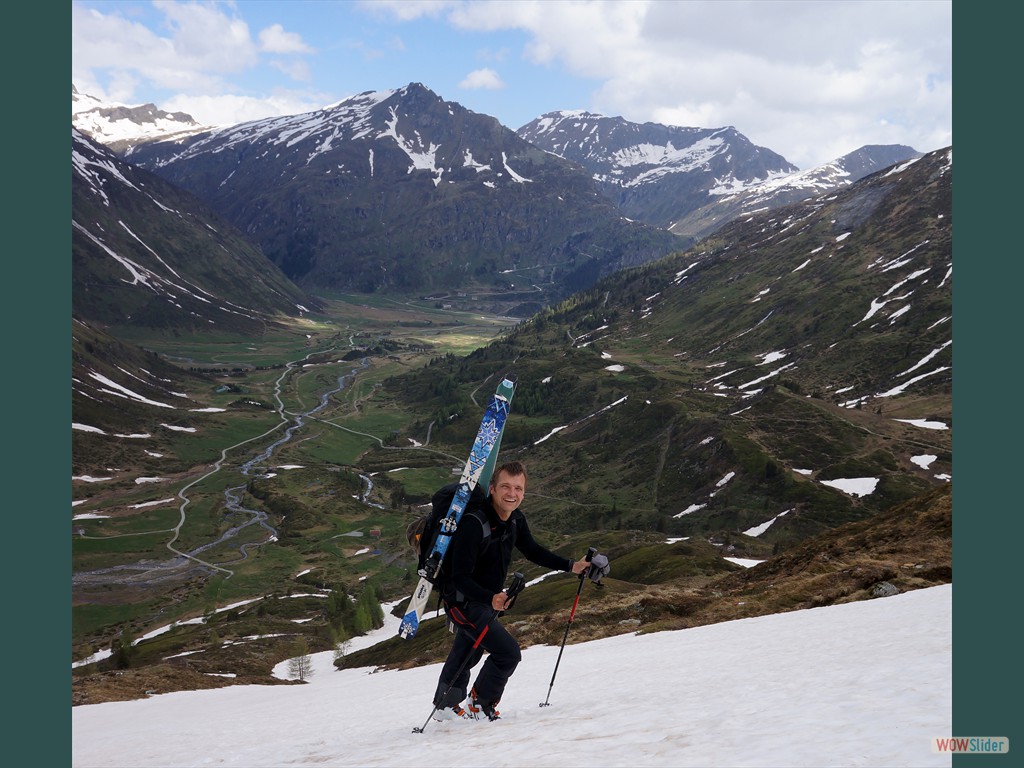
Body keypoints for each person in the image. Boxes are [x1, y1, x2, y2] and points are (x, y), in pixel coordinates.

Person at [431, 460, 591, 721]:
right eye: (505, 486)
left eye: (518, 488)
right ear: (492, 488)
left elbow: (533, 550)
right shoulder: (474, 523)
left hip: (485, 600)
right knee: (507, 653)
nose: (512, 494)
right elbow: (459, 577)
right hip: (463, 601)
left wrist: (571, 566)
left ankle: (444, 706)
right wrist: (489, 598)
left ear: (524, 493)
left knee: (467, 651)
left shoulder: (515, 519)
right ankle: (479, 705)